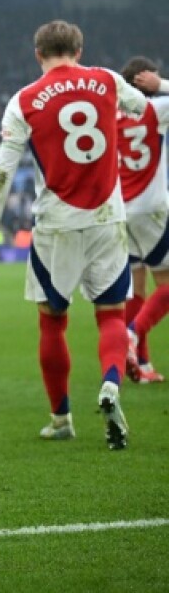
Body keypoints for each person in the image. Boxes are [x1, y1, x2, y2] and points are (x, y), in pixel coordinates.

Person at [0, 20, 146, 449]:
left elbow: (1, 173)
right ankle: (110, 383)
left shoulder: (24, 101)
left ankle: (62, 417)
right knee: (110, 315)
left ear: (38, 55)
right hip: (108, 218)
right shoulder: (105, 79)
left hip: (56, 225)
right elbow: (141, 107)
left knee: (52, 322)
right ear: (80, 50)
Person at [118, 58, 169, 382]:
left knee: (136, 288)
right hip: (151, 209)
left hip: (120, 211)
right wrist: (161, 86)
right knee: (165, 284)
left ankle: (142, 366)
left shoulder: (109, 115)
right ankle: (132, 335)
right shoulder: (156, 109)